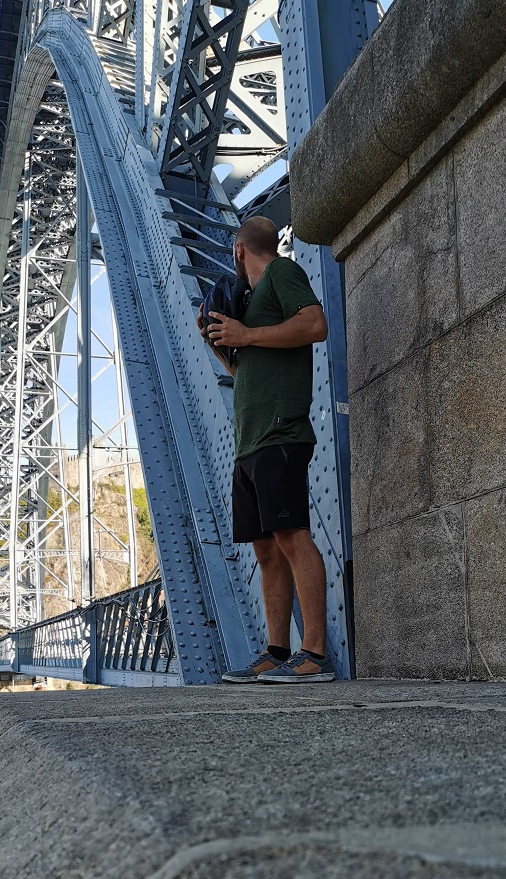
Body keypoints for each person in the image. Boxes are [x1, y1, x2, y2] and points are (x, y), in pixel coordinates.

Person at [197, 215, 335, 683]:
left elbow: (315, 323)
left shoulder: (281, 273)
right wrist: (221, 343)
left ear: (239, 250)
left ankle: (314, 655)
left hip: (280, 433)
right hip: (249, 442)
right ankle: (276, 652)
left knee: (292, 536)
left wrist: (247, 334)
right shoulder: (249, 302)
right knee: (265, 547)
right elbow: (245, 372)